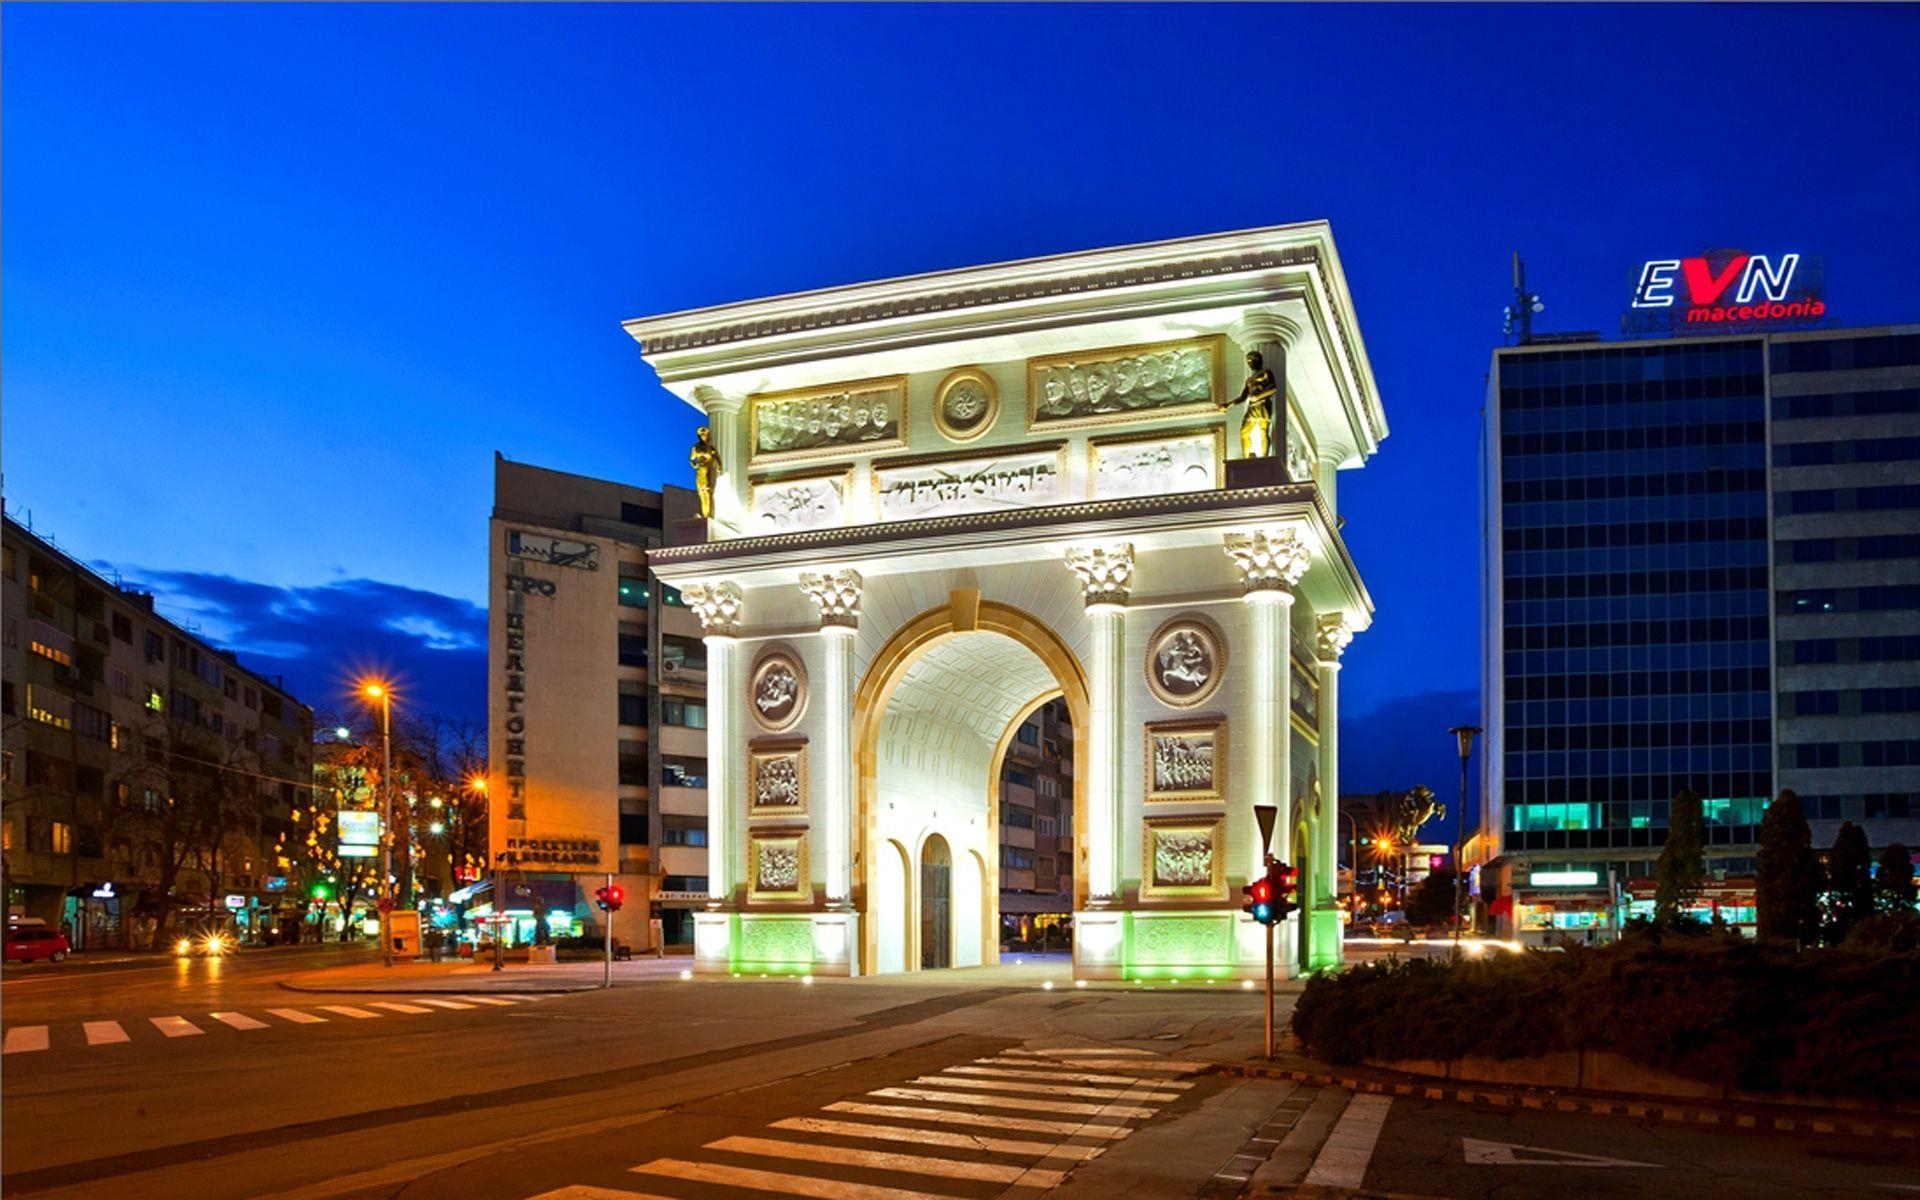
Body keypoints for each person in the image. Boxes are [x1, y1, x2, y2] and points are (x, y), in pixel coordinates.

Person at [1221, 350, 1280, 460]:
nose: (1248, 363)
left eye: (1250, 360)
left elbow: (1273, 389)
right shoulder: (1249, 380)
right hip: (1252, 407)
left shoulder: (1266, 372)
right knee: (1244, 431)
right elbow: (1243, 397)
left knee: (1263, 430)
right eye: (1247, 361)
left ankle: (1264, 457)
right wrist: (1228, 405)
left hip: (1263, 405)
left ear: (1257, 360)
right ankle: (1246, 457)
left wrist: (1258, 397)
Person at [689, 426, 722, 518]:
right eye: (701, 434)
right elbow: (691, 459)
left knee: (709, 490)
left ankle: (710, 514)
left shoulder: (710, 448)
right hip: (701, 470)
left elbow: (717, 457)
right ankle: (705, 514)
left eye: (705, 434)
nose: (703, 436)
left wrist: (720, 466)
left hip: (709, 469)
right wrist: (694, 465)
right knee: (702, 491)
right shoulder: (696, 448)